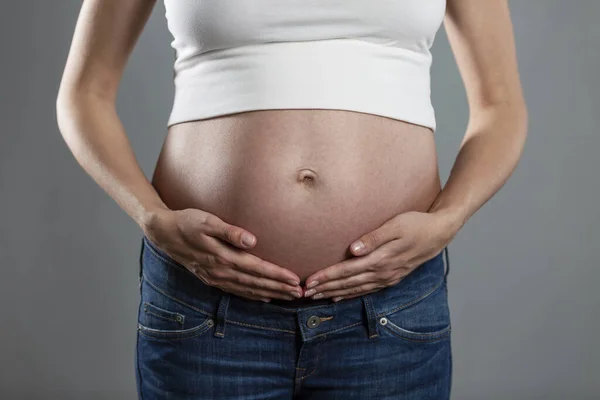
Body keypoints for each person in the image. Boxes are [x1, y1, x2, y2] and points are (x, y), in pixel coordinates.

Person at [56, 0, 527, 399]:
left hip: (388, 305)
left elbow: (500, 104)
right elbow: (84, 93)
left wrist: (449, 218)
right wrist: (150, 216)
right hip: (205, 304)